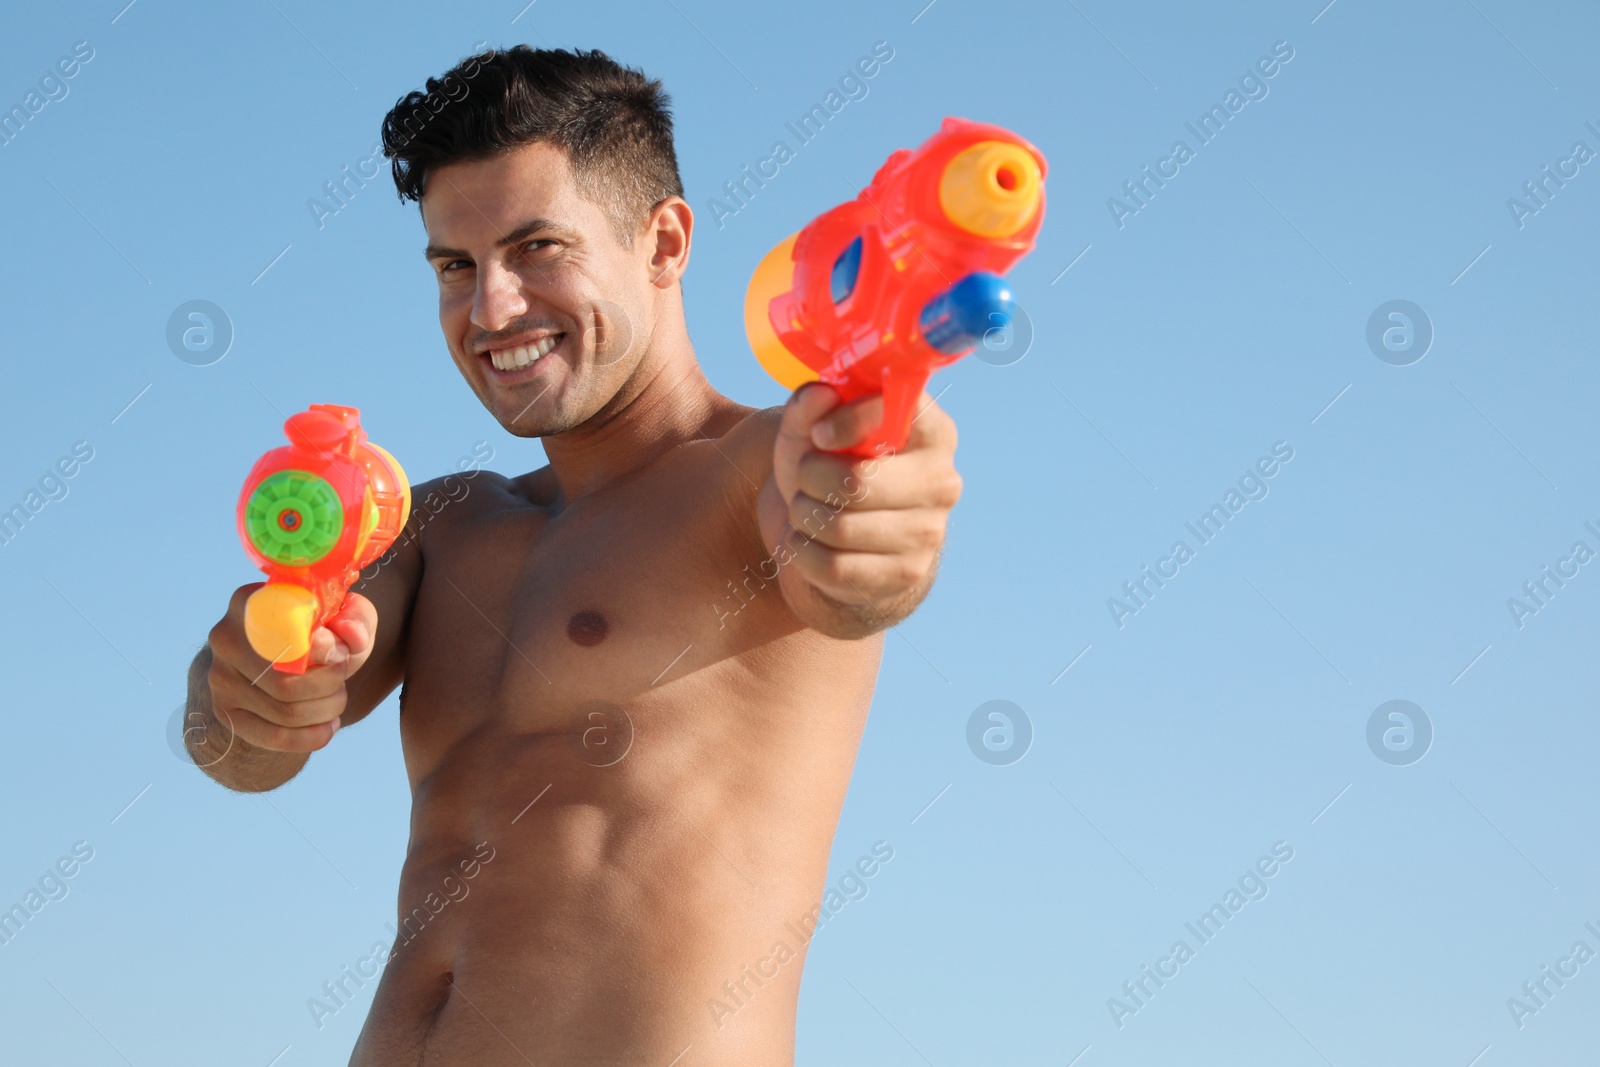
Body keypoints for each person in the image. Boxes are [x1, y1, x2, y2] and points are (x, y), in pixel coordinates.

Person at [185, 45, 962, 1066]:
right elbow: (242, 745)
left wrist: (878, 523)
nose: (491, 307)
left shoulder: (760, 466)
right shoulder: (442, 523)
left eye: (537, 247)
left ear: (665, 241)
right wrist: (244, 688)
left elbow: (859, 538)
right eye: (455, 266)